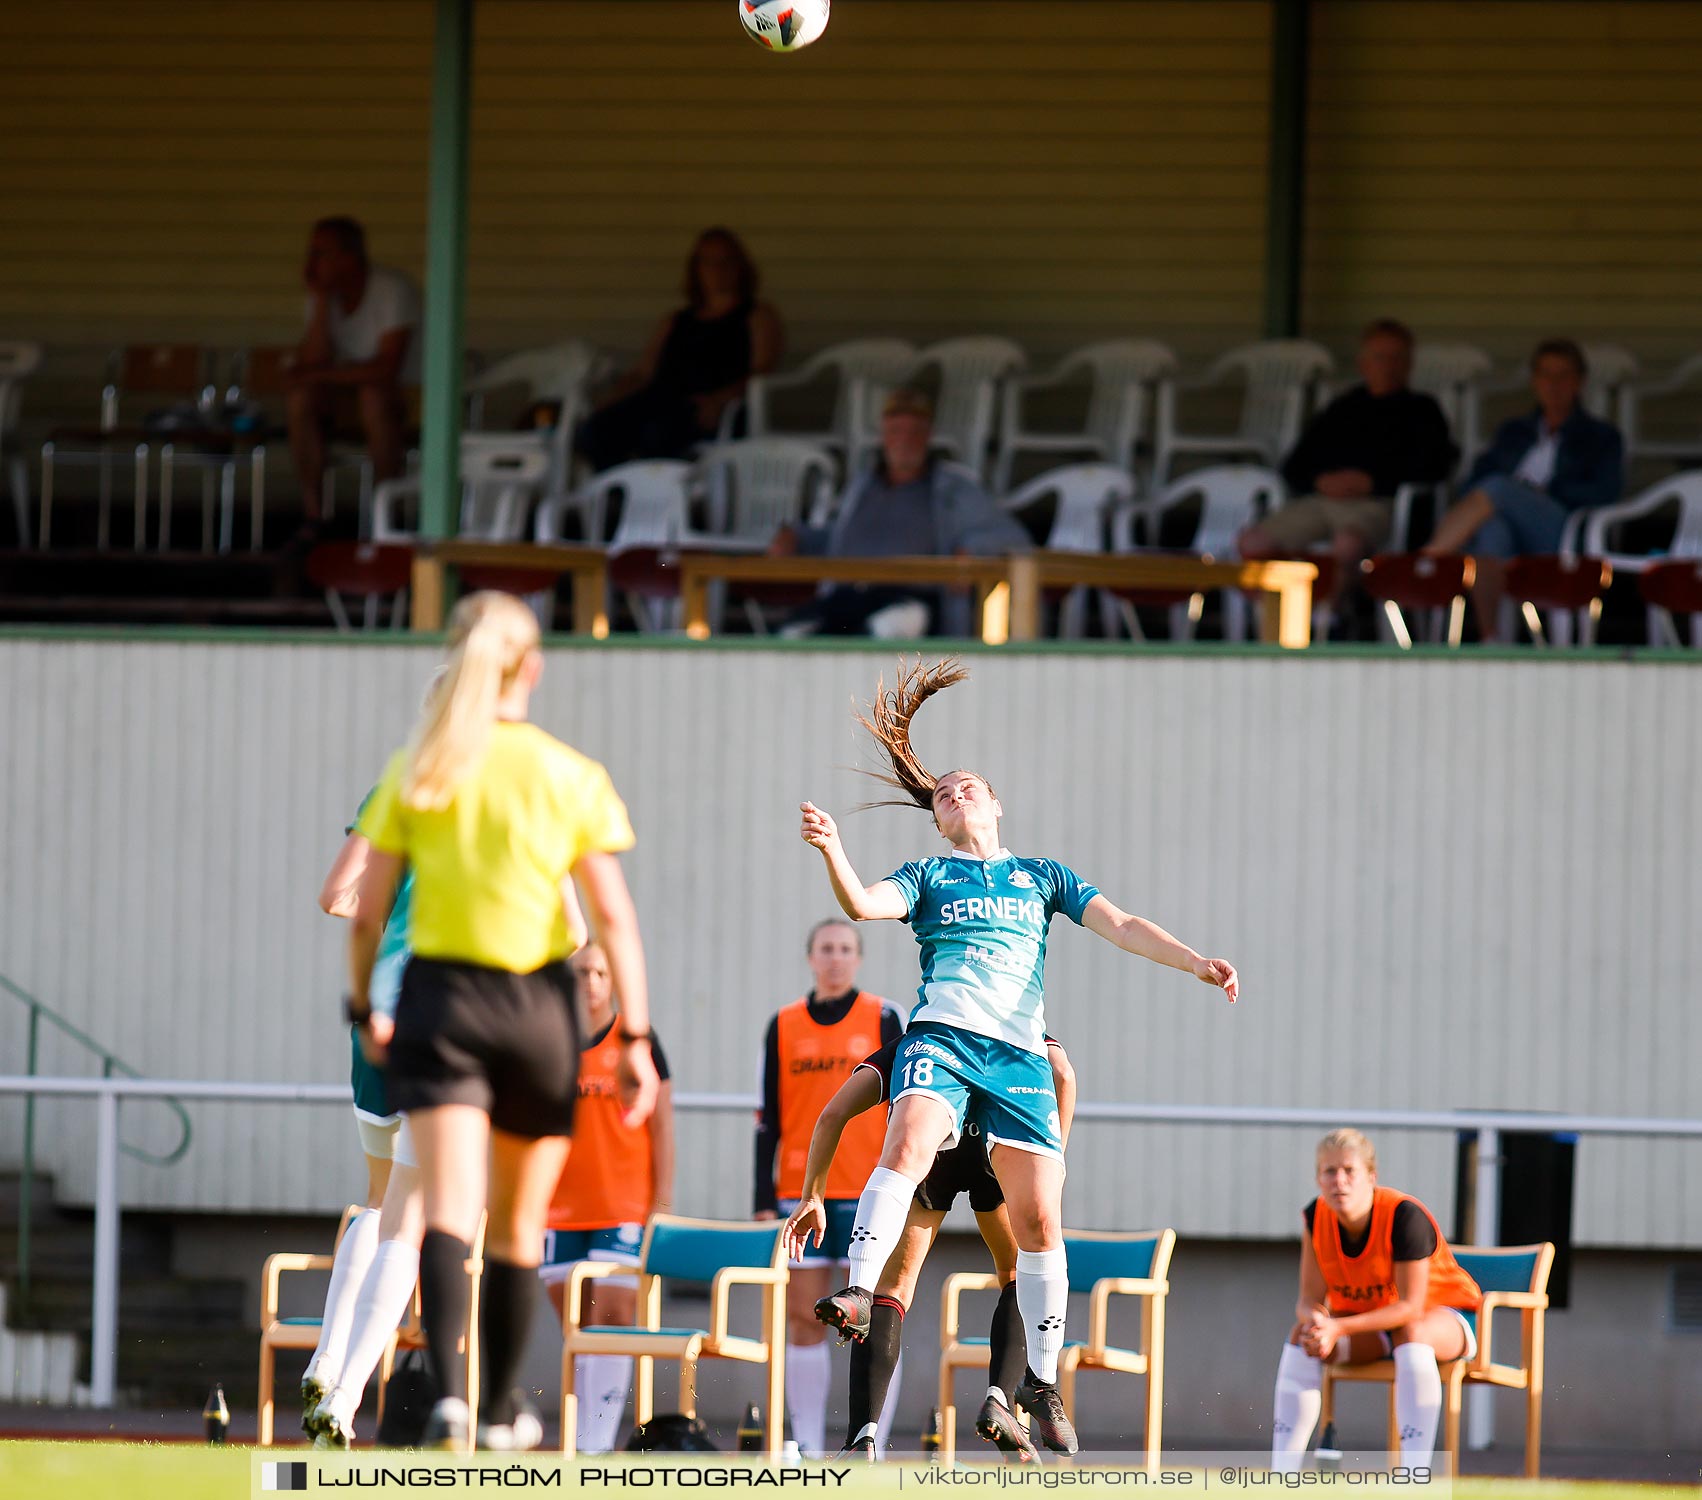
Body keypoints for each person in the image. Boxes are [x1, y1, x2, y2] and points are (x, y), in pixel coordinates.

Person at [797, 659, 1238, 1454]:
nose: (955, 792)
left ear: (997, 805)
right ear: (935, 822)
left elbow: (1127, 925)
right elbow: (863, 905)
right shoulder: (927, 874)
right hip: (942, 1040)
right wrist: (833, 850)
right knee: (908, 1142)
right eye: (942, 792)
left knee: (1041, 1221)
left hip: (1018, 1060)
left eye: (969, 785)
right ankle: (858, 1291)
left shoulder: (1043, 877)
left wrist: (1198, 961)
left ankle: (1037, 1382)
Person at [348, 590, 657, 1451]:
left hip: (442, 999)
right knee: (521, 1224)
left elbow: (367, 914)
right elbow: (615, 923)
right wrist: (633, 1036)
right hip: (538, 1006)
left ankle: (451, 1400)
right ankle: (498, 1415)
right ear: (534, 666)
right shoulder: (568, 772)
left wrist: (361, 1005)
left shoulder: (421, 766)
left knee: (447, 1210)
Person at [786, 1033, 1077, 1461]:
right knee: (1017, 1273)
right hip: (995, 1149)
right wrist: (1051, 1165)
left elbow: (832, 1114)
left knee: (892, 1290)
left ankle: (861, 1438)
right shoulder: (1023, 1031)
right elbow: (1064, 1075)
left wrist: (813, 1194)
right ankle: (1001, 1398)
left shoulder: (921, 1040)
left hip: (930, 1146)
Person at [753, 921, 904, 1457]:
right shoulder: (784, 1024)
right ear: (811, 957)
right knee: (804, 1319)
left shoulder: (885, 1018)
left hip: (872, 1192)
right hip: (806, 1195)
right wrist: (762, 1200)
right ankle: (812, 1447)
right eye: (826, 949)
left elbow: (909, 1109)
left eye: (845, 948)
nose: (835, 958)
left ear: (858, 957)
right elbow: (767, 1117)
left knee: (877, 1313)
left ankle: (872, 1445)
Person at [1270, 1129, 1482, 1473]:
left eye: (1349, 1170)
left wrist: (1338, 1326)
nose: (1339, 1180)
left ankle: (1414, 1478)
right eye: (1329, 1171)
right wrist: (1319, 1323)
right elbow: (1308, 1299)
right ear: (1318, 1178)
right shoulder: (1315, 1217)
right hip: (1374, 1325)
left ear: (1371, 1177)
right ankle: (1283, 1474)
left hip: (1447, 1319)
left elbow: (1410, 1307)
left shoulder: (1404, 1216)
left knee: (1411, 1331)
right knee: (1302, 1336)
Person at [543, 940, 675, 1455]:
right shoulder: (551, 1040)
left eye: (600, 971)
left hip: (623, 1206)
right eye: (580, 973)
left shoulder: (638, 1041)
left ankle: (595, 1448)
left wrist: (660, 1202)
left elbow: (662, 1128)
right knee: (577, 1330)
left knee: (614, 1318)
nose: (591, 981)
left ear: (613, 980)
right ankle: (581, 1444)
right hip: (558, 1208)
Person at [770, 390, 1030, 638]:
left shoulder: (952, 489)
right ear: (883, 436)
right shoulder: (863, 485)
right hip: (849, 596)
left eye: (914, 432)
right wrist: (798, 537)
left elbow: (1013, 537)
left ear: (928, 436)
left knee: (886, 632)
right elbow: (838, 540)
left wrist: (970, 550)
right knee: (791, 636)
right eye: (896, 431)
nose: (904, 441)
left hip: (910, 601)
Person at [1240, 319, 1456, 604]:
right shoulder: (1343, 408)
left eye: (1397, 358)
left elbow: (1437, 465)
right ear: (1363, 363)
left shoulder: (1422, 410)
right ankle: (1268, 622)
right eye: (1380, 357)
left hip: (1376, 504)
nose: (1388, 366)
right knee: (1253, 542)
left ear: (1409, 364)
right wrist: (1320, 481)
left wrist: (1373, 482)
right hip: (1320, 501)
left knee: (1347, 544)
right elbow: (1294, 465)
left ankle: (1326, 620)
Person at [1422, 338, 1623, 640]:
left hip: (1562, 527)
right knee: (1492, 529)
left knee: (1500, 488)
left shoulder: (1601, 436)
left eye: (1563, 375)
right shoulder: (1514, 432)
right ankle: (1492, 639)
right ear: (1534, 381)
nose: (1553, 384)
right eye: (1545, 375)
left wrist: (1543, 492)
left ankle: (1429, 561)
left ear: (1579, 382)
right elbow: (1473, 482)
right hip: (1509, 525)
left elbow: (1606, 492)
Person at [576, 227, 782, 471]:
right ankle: (619, 498)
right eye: (709, 262)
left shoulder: (757, 316)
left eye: (726, 261)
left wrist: (720, 401)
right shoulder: (675, 321)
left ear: (741, 267)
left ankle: (664, 501)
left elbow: (762, 371)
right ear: (696, 270)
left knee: (655, 434)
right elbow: (643, 372)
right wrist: (611, 400)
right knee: (593, 431)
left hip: (711, 410)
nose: (718, 270)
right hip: (659, 400)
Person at [287, 216, 420, 539]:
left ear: (349, 257)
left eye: (320, 254)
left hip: (408, 397)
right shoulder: (324, 296)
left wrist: (319, 373)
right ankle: (314, 516)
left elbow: (386, 368)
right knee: (300, 397)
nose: (311, 263)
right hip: (347, 394)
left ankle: (387, 513)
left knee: (372, 396)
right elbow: (312, 363)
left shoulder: (393, 289)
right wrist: (320, 301)